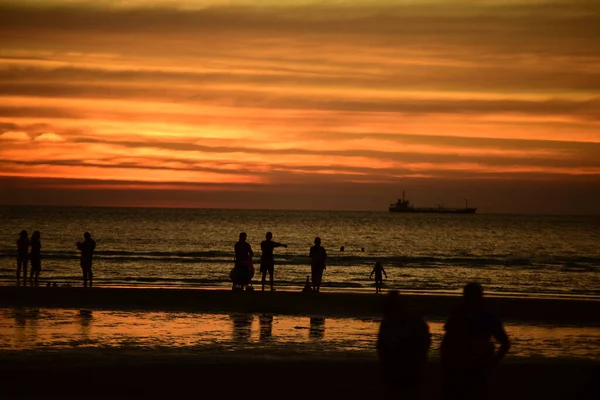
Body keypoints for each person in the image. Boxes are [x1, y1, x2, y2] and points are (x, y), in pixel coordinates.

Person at [440, 282, 511, 400]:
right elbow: (505, 342)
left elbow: (505, 342)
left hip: (470, 362)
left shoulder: (476, 314)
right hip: (462, 362)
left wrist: (494, 361)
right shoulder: (463, 313)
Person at [377, 290, 431, 399]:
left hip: (406, 367)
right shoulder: (388, 323)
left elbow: (423, 343)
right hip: (397, 368)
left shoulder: (412, 322)